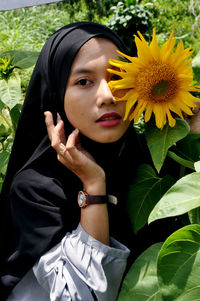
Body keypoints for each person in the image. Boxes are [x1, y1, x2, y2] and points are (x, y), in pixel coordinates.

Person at [0, 22, 193, 300]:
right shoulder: (35, 190)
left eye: (119, 78)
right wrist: (93, 185)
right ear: (55, 93)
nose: (108, 96)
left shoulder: (155, 160)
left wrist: (191, 136)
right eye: (83, 82)